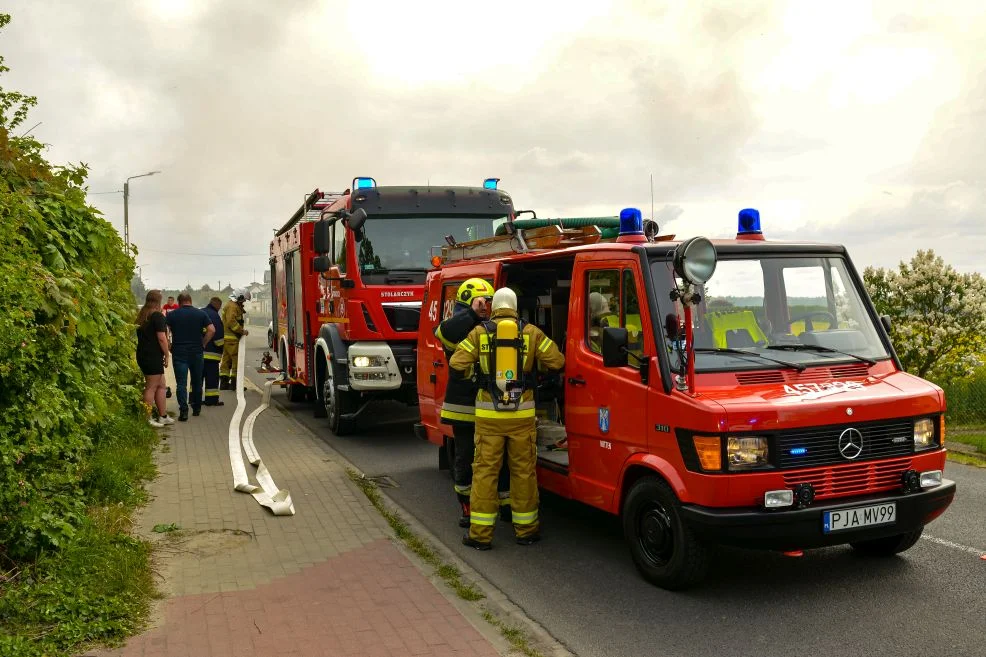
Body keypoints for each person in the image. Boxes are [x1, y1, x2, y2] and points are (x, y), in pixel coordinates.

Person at [450, 287, 565, 550]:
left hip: (488, 418)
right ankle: (527, 531)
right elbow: (557, 361)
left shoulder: (479, 333)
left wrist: (476, 378)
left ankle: (480, 535)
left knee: (485, 473)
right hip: (521, 416)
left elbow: (457, 363)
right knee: (523, 472)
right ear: (514, 307)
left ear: (494, 307)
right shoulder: (532, 333)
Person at [435, 278, 512, 529]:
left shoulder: (492, 326)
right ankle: (467, 507)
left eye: (490, 303)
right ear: (468, 303)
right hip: (464, 407)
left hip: (489, 406)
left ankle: (505, 504)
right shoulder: (457, 327)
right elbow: (443, 333)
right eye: (482, 302)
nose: (486, 307)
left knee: (498, 458)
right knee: (465, 457)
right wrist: (471, 312)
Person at [166, 292, 215, 421]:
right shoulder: (200, 314)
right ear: (190, 301)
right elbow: (212, 330)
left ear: (179, 301)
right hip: (197, 353)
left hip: (179, 352)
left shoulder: (172, 315)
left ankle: (183, 411)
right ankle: (197, 408)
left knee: (181, 384)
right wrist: (203, 343)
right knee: (197, 381)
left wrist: (169, 345)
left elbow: (165, 330)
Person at [135, 290, 174, 428]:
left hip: (143, 354)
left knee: (161, 385)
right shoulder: (157, 316)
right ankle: (147, 417)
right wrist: (167, 354)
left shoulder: (142, 315)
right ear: (158, 301)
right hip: (153, 356)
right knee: (151, 387)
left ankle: (162, 416)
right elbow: (161, 338)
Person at [219, 290, 250, 390]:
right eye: (243, 300)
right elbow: (231, 321)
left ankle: (224, 383)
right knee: (236, 361)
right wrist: (242, 331)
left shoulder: (231, 305)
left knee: (226, 361)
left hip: (228, 339)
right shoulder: (233, 306)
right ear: (239, 297)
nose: (243, 302)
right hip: (232, 339)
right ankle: (235, 384)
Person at [201, 296, 225, 406]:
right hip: (212, 355)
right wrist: (221, 348)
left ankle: (194, 400)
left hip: (198, 354)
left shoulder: (200, 313)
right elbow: (218, 336)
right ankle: (211, 401)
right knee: (212, 378)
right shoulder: (215, 316)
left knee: (197, 378)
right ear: (217, 305)